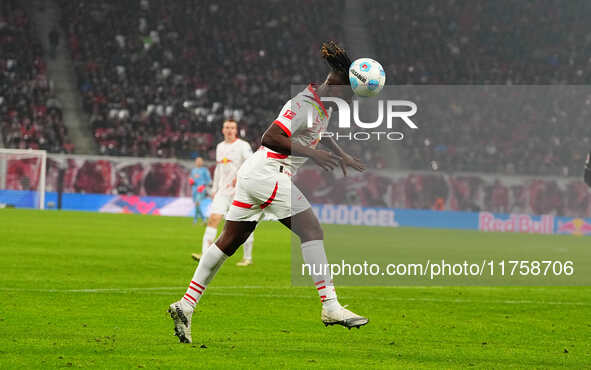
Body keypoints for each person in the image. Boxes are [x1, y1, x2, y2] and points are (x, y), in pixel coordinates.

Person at [168, 41, 368, 344]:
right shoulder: (302, 104)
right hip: (268, 171)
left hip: (256, 174)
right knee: (312, 230)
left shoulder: (322, 108)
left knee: (229, 241)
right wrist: (311, 155)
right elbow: (271, 136)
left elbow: (319, 134)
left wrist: (341, 156)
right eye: (347, 93)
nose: (348, 100)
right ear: (333, 84)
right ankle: (330, 306)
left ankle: (186, 304)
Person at [191, 119, 255, 266]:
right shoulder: (220, 147)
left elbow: (251, 163)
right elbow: (219, 170)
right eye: (227, 127)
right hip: (223, 191)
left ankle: (247, 258)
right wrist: (214, 189)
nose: (229, 130)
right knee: (214, 218)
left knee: (244, 224)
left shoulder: (243, 146)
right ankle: (205, 254)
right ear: (222, 130)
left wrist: (240, 177)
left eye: (232, 128)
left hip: (240, 192)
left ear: (236, 130)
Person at [189, 157, 211, 224]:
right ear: (195, 162)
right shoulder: (193, 170)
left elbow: (209, 181)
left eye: (200, 161)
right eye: (197, 161)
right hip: (194, 189)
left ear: (202, 162)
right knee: (196, 204)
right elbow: (191, 180)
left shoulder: (205, 170)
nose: (199, 162)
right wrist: (191, 181)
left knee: (197, 203)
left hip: (201, 189)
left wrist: (203, 186)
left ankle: (197, 220)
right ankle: (202, 219)